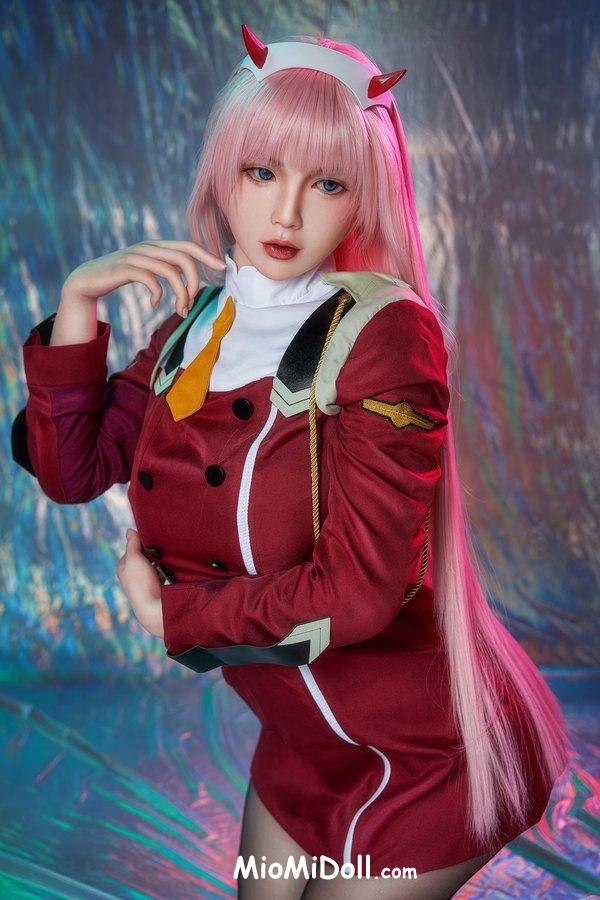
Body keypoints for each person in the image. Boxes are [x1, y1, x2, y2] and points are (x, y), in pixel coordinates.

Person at [14, 24, 570, 900]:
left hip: (426, 754)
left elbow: (357, 591)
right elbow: (74, 468)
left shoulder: (384, 337)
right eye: (262, 172)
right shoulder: (195, 328)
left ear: (363, 199)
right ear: (222, 173)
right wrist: (78, 303)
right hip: (303, 747)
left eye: (327, 183)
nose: (286, 214)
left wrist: (173, 614)